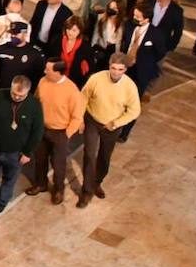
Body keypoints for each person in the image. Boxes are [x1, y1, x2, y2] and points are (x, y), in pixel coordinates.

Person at [77, 52, 141, 207]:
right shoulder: (96, 78)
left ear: (125, 69)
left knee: (105, 156)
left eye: (120, 69)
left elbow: (135, 111)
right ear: (109, 66)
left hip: (112, 125)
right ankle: (86, 191)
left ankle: (97, 182)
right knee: (90, 154)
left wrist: (117, 123)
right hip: (92, 120)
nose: (116, 72)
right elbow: (83, 97)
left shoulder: (130, 87)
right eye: (113, 68)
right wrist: (79, 119)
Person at [0, 76, 44, 212]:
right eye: (13, 93)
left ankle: (2, 201)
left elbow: (37, 131)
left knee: (9, 179)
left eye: (20, 95)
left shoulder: (34, 105)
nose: (16, 97)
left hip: (16, 153)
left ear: (28, 92)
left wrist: (28, 152)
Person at [29, 59, 85, 203]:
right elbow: (35, 101)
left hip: (60, 132)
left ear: (58, 73)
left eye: (48, 69)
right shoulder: (43, 82)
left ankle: (59, 190)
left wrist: (66, 135)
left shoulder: (71, 90)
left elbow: (77, 117)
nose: (44, 71)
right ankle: (41, 184)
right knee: (40, 159)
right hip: (42, 129)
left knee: (58, 164)